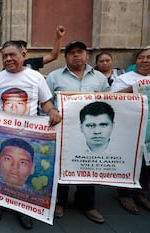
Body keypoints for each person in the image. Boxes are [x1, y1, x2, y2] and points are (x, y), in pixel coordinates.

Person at [0, 40, 61, 230]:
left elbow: (46, 103)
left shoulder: (36, 78)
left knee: (21, 173)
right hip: (2, 135)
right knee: (2, 171)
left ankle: (22, 210)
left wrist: (52, 112)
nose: (8, 59)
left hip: (29, 136)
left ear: (23, 54)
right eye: (4, 56)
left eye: (12, 55)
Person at [46, 40, 110, 223]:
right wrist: (52, 110)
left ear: (86, 55)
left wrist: (102, 98)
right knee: (61, 165)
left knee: (88, 164)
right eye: (72, 52)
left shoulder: (99, 78)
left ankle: (87, 204)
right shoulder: (54, 77)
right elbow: (46, 100)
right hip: (62, 130)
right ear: (66, 57)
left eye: (80, 52)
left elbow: (111, 100)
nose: (76, 55)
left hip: (90, 132)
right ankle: (60, 201)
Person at [111, 46, 150, 215]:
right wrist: (135, 88)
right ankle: (125, 194)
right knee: (131, 161)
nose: (144, 60)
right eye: (141, 57)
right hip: (132, 129)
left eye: (149, 57)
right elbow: (113, 100)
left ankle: (142, 193)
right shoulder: (125, 79)